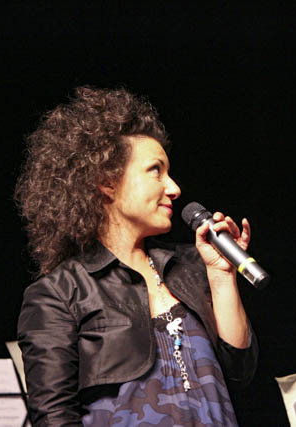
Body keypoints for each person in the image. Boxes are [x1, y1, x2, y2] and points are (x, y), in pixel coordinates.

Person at [15, 86, 258, 426]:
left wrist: (221, 276)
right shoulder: (59, 294)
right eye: (155, 170)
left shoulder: (191, 266)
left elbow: (239, 373)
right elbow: (54, 416)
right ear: (107, 182)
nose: (173, 188)